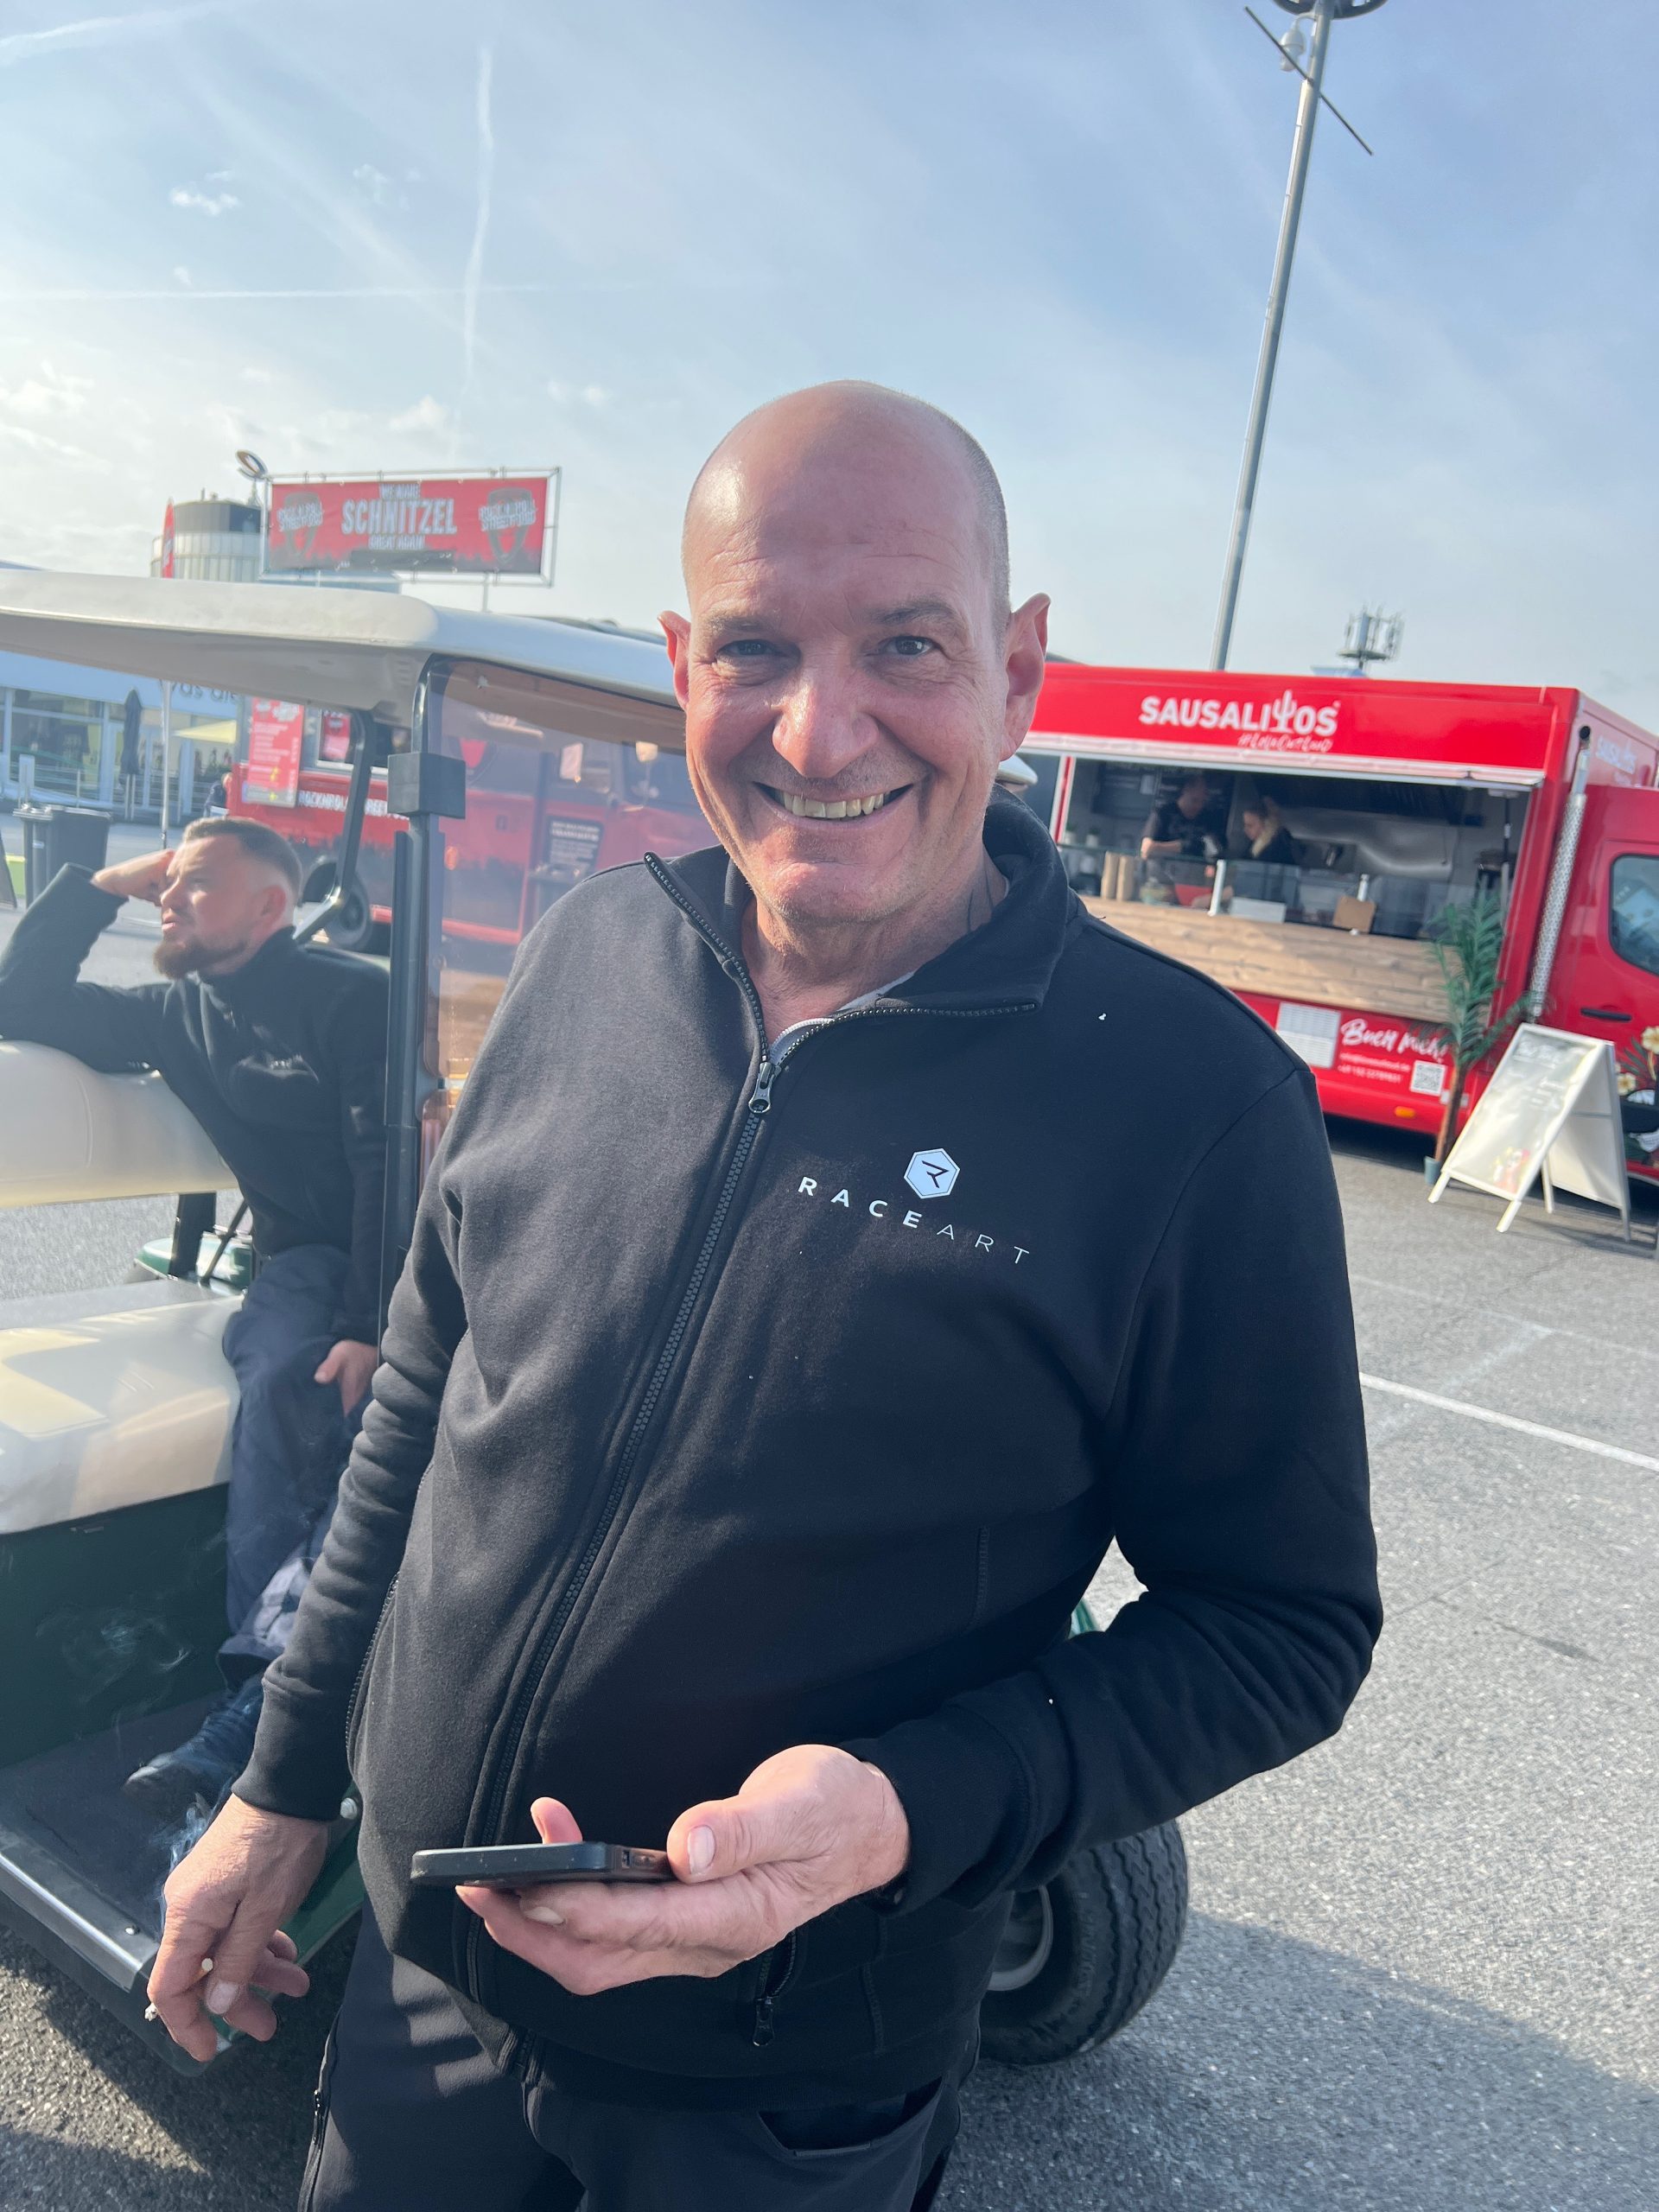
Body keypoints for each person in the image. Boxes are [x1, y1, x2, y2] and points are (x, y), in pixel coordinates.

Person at [153, 384, 1380, 2212]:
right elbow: (426, 1393)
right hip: (422, 1974)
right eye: (754, 648)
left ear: (1020, 670)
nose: (820, 728)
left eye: (907, 645)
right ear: (681, 665)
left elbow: (1283, 1620)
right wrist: (285, 1780)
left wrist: (904, 1809)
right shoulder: (589, 951)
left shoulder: (1189, 1107)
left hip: (786, 2077)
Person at [0, 817, 388, 1815]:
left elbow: (389, 1166)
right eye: (168, 882)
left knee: (375, 1404)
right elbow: (20, 998)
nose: (171, 898)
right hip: (303, 1263)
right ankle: (263, 1698)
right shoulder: (176, 1011)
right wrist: (103, 885)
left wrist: (373, 1321)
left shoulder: (355, 998)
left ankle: (286, 1701)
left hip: (402, 1249)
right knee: (284, 1371)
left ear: (270, 908)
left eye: (198, 883)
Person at [1139, 770, 1228, 863]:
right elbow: (1147, 848)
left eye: (1202, 802)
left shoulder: (1210, 819)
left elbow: (1217, 849)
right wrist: (1183, 846)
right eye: (1194, 800)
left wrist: (1162, 847)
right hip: (1162, 869)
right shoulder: (1162, 814)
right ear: (1185, 790)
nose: (1198, 806)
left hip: (1196, 870)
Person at [1236, 796, 1299, 868]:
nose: (1245, 830)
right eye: (1245, 825)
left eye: (1250, 825)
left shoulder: (1279, 850)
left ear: (1267, 824)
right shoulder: (1254, 844)